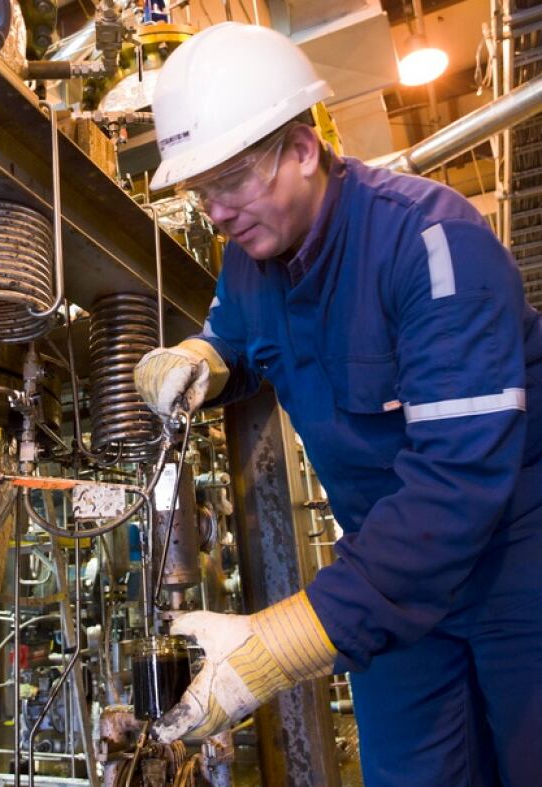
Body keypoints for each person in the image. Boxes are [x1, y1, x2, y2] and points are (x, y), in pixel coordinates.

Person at [133, 21, 542, 786]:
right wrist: (201, 359)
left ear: (302, 149)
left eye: (231, 181)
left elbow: (456, 486)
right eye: (201, 189)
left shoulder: (433, 243)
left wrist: (280, 644)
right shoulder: (253, 260)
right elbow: (239, 335)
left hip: (513, 557)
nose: (216, 210)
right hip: (388, 582)